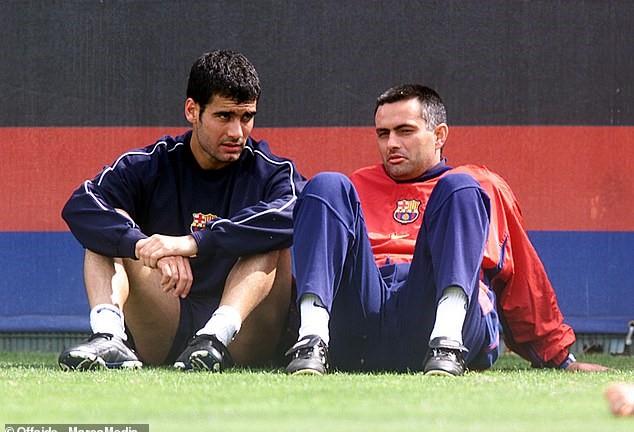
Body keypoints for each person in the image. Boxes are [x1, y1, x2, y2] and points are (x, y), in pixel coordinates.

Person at [285, 84, 608, 376]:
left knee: (460, 185)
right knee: (326, 184)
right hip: (363, 321)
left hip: (439, 313)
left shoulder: (478, 188)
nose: (392, 143)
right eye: (383, 134)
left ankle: (447, 343)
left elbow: (521, 275)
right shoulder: (355, 187)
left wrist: (559, 357)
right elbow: (319, 264)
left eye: (405, 131)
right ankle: (311, 340)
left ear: (439, 135)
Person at [59, 50, 304, 371]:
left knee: (271, 236)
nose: (237, 132)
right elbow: (81, 205)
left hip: (240, 334)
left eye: (246, 117)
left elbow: (296, 212)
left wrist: (192, 243)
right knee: (109, 226)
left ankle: (213, 339)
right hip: (165, 316)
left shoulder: (271, 170)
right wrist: (144, 246)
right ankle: (109, 337)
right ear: (192, 110)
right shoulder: (152, 163)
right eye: (224, 116)